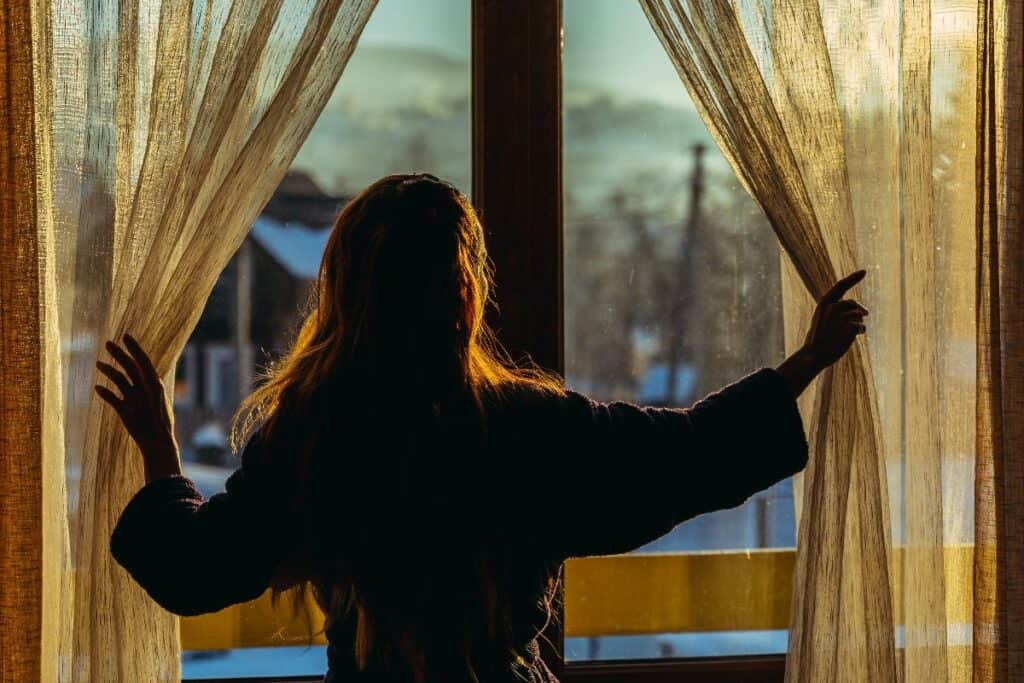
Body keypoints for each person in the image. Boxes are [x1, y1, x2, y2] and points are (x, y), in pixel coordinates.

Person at [96, 173, 868, 683]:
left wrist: (160, 446)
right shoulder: (527, 428)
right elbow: (689, 455)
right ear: (465, 297)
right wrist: (805, 361)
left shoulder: (317, 438)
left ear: (346, 296)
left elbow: (198, 568)